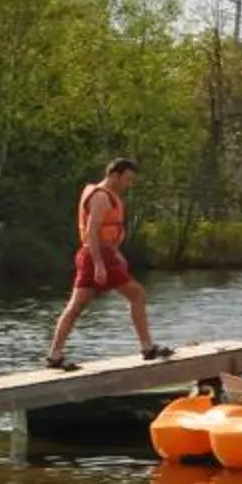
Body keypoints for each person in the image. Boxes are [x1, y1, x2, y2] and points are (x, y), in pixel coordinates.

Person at [44, 157, 171, 369]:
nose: (128, 185)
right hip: (96, 256)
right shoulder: (101, 197)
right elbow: (92, 232)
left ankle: (54, 356)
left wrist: (115, 253)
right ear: (114, 175)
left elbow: (106, 233)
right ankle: (147, 348)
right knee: (133, 295)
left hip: (102, 255)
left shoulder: (109, 196)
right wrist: (100, 264)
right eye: (126, 179)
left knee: (81, 305)